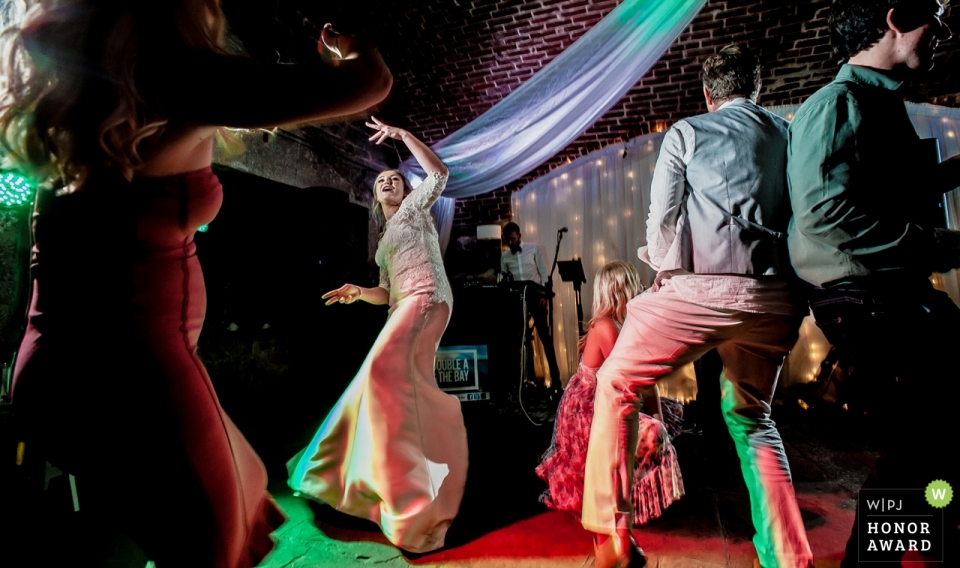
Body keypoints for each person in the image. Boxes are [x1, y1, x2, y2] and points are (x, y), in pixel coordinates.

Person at [1, 1, 392, 566]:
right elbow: (371, 82)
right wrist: (351, 47)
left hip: (57, 368)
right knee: (214, 539)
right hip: (130, 368)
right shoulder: (176, 76)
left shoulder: (90, 85)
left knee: (219, 504)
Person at [581, 45, 814, 568]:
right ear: (757, 90)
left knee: (616, 382)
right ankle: (788, 557)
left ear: (708, 94)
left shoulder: (687, 131)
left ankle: (614, 543)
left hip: (701, 290)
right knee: (754, 417)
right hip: (775, 297)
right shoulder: (788, 133)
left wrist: (666, 273)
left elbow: (661, 223)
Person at [786, 1, 959, 564]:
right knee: (921, 442)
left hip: (892, 297)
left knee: (931, 442)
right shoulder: (838, 103)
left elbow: (882, 193)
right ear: (895, 18)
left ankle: (925, 540)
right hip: (867, 302)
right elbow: (824, 215)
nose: (944, 33)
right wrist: (933, 244)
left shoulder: (879, 103)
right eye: (937, 19)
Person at [287, 118, 467, 554]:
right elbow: (386, 290)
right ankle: (409, 488)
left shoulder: (416, 209)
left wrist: (404, 136)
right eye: (382, 181)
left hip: (427, 300)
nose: (388, 181)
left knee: (382, 376)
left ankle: (411, 501)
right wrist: (358, 291)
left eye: (395, 179)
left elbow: (440, 174)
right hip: (401, 305)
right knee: (390, 393)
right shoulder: (383, 239)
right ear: (374, 197)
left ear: (406, 191)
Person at [536, 261, 683, 527]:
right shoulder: (605, 326)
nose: (640, 287)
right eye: (634, 283)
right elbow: (632, 374)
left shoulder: (620, 323)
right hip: (590, 407)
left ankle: (630, 500)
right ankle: (624, 504)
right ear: (621, 290)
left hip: (611, 396)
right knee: (652, 430)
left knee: (661, 420)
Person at [500, 222, 562, 387]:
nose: (511, 243)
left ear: (519, 236)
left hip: (536, 296)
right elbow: (504, 279)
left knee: (545, 337)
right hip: (517, 299)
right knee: (520, 339)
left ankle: (556, 380)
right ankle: (527, 380)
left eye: (513, 239)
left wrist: (545, 296)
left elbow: (544, 273)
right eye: (508, 240)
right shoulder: (505, 256)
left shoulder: (533, 248)